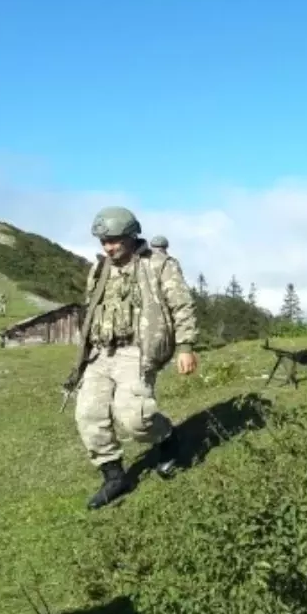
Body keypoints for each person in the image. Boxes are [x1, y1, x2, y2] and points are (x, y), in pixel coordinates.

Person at [68, 206, 199, 510]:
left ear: (131, 235)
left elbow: (182, 306)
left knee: (135, 417)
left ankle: (167, 439)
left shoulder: (159, 265)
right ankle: (114, 476)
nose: (109, 247)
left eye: (114, 240)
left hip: (136, 351)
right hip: (101, 352)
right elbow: (91, 309)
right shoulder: (99, 269)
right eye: (103, 241)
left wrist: (185, 347)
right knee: (88, 415)